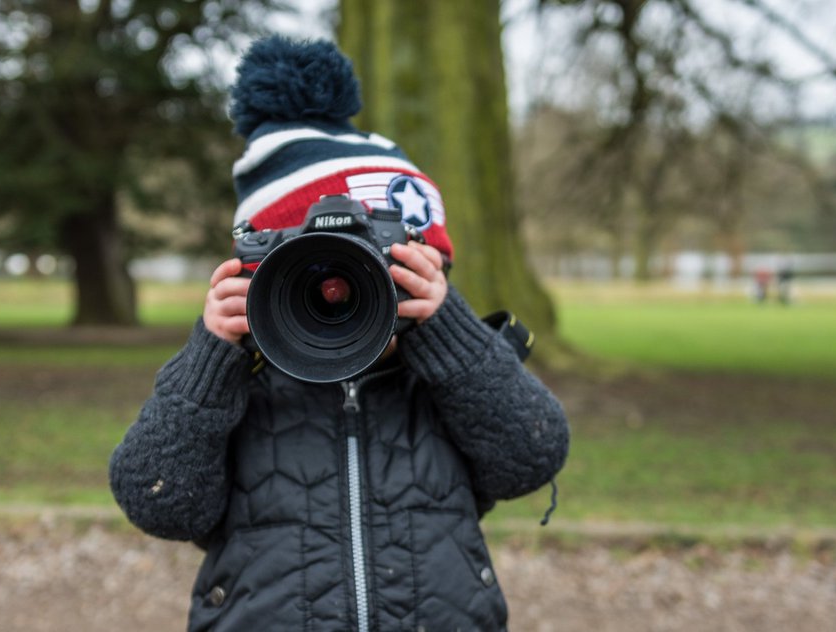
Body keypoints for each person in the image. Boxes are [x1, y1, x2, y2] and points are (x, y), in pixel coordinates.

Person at [109, 36, 569, 632]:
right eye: (325, 272)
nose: (349, 292)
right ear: (265, 274)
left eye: (386, 270)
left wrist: (446, 330)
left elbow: (531, 458)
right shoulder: (241, 382)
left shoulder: (446, 376)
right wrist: (213, 357)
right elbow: (158, 500)